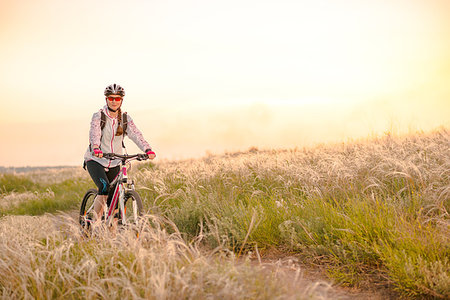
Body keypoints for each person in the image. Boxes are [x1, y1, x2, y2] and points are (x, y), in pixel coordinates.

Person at [84, 83, 156, 221]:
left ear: (121, 100)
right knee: (104, 187)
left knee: (115, 197)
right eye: (111, 98)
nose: (114, 101)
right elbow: (94, 133)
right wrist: (96, 148)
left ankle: (113, 235)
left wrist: (147, 149)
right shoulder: (98, 116)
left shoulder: (125, 119)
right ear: (106, 99)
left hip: (116, 160)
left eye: (117, 99)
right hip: (96, 159)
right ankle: (92, 221)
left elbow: (136, 135)